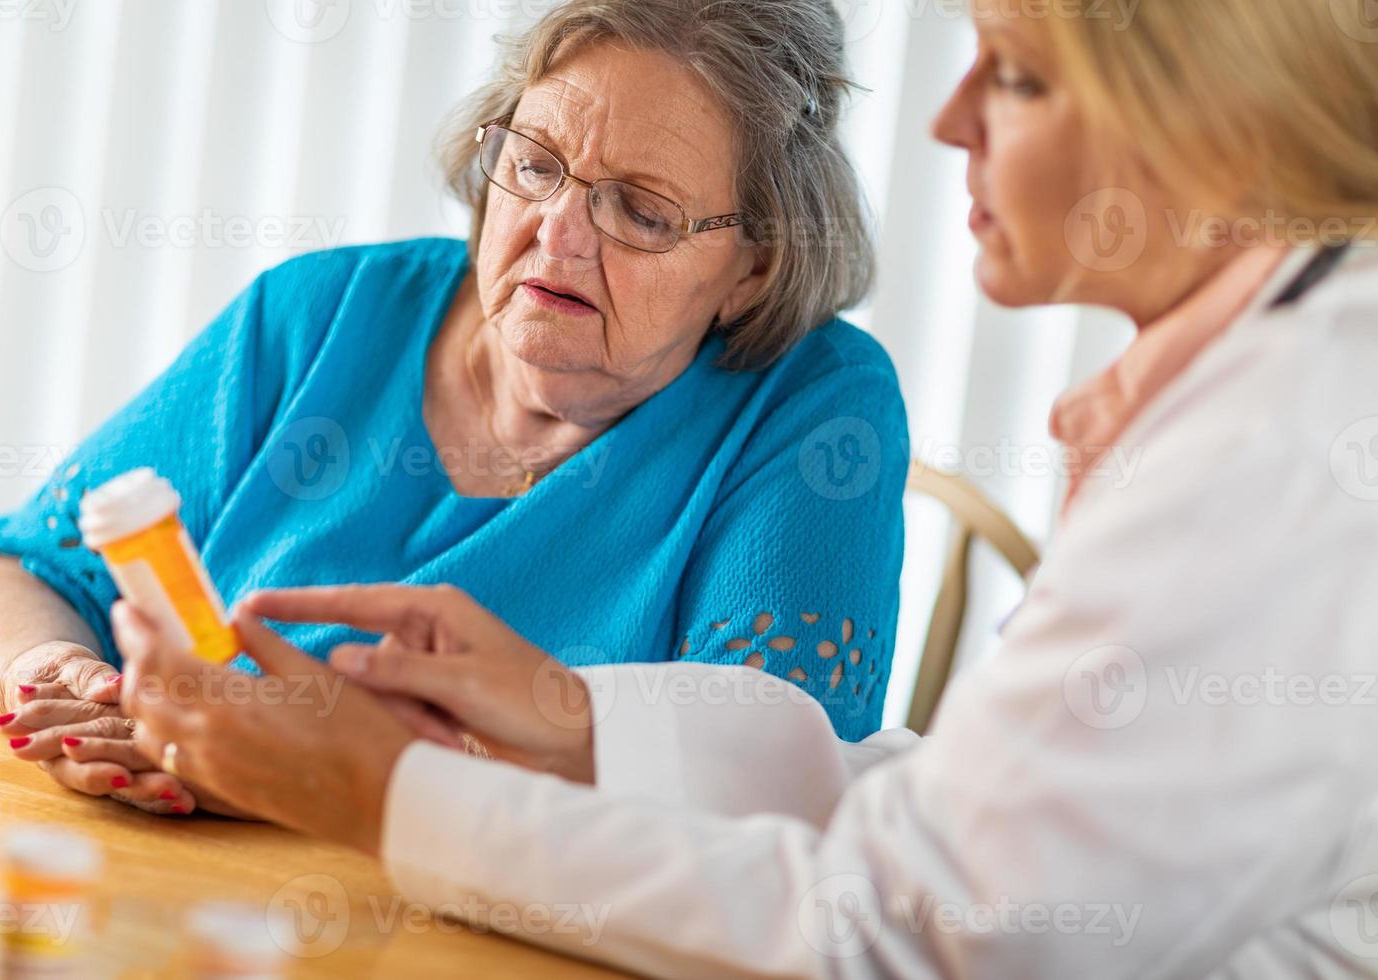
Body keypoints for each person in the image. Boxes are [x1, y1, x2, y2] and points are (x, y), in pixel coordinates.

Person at [113, 0, 1378, 974]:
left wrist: (401, 796)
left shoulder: (1286, 450)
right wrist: (570, 716)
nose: (949, 125)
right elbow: (965, 819)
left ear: (1224, 120)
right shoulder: (1278, 376)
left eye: (1020, 73)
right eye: (538, 165)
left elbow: (906, 935)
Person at [0, 0, 908, 816]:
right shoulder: (319, 314)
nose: (557, 232)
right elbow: (11, 567)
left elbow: (764, 788)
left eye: (642, 211)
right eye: (536, 163)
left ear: (756, 264)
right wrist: (58, 682)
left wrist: (294, 763)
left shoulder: (816, 410)